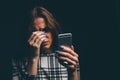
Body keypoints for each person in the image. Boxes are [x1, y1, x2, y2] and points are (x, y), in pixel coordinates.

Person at [12, 6, 80, 80]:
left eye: (46, 30)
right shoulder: (17, 62)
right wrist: (33, 59)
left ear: (52, 29)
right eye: (36, 33)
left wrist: (72, 72)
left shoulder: (67, 57)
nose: (43, 38)